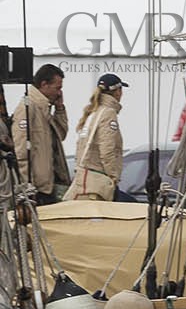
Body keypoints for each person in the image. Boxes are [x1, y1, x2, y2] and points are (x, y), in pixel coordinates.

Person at [10, 63, 70, 204]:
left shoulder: (44, 109)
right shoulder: (28, 108)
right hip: (36, 190)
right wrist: (26, 188)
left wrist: (60, 109)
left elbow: (61, 135)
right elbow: (21, 151)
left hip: (49, 186)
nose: (59, 92)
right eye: (57, 88)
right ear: (44, 84)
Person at [69, 73, 127, 201]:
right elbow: (107, 150)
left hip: (84, 178)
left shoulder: (93, 112)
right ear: (117, 91)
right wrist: (113, 177)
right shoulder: (108, 113)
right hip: (96, 183)